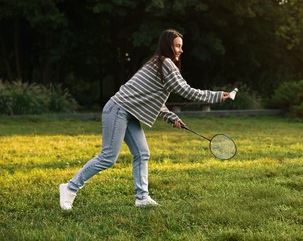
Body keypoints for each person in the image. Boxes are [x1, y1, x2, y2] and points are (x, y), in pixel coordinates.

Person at [59, 29, 230, 210]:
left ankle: (142, 198)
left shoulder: (158, 64)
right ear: (168, 46)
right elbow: (187, 91)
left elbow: (152, 99)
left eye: (181, 46)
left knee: (142, 153)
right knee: (108, 157)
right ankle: (70, 188)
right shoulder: (165, 64)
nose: (181, 50)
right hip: (118, 109)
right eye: (178, 46)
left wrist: (171, 117)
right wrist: (217, 96)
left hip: (129, 112)